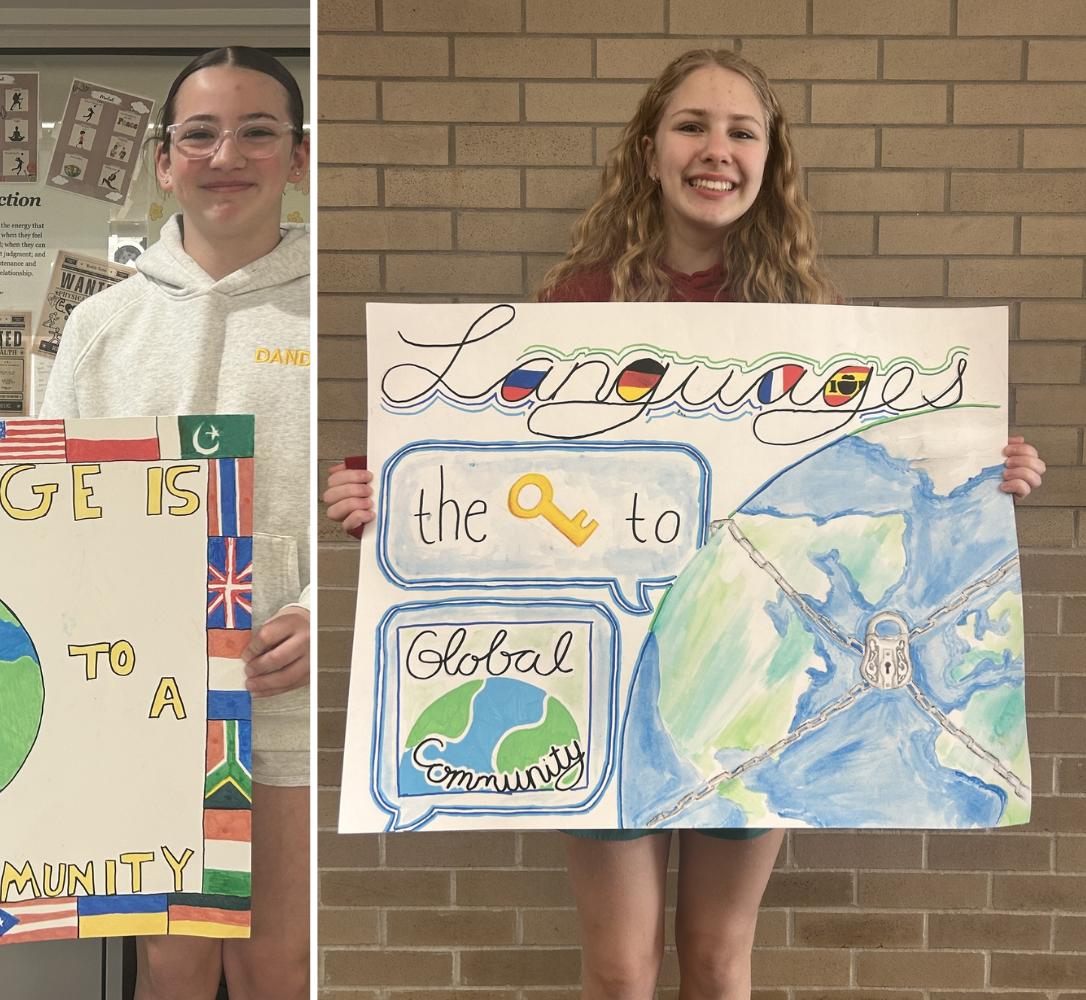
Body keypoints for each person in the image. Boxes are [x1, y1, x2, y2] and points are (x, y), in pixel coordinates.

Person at [322, 49, 1048, 1000]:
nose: (718, 150)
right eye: (693, 126)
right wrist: (384, 492)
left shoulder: (814, 324)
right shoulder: (576, 309)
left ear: (769, 157)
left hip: (761, 671)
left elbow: (883, 480)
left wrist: (982, 471)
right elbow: (497, 466)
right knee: (620, 972)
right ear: (652, 150)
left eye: (742, 132)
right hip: (608, 678)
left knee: (715, 962)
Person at [37, 46, 312, 1000]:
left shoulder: (336, 317)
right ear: (164, 162)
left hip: (288, 684)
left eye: (257, 131)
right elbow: (49, 504)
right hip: (147, 688)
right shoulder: (101, 326)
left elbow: (383, 498)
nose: (225, 153)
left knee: (278, 964)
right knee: (174, 959)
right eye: (199, 133)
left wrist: (324, 610)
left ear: (299, 156)